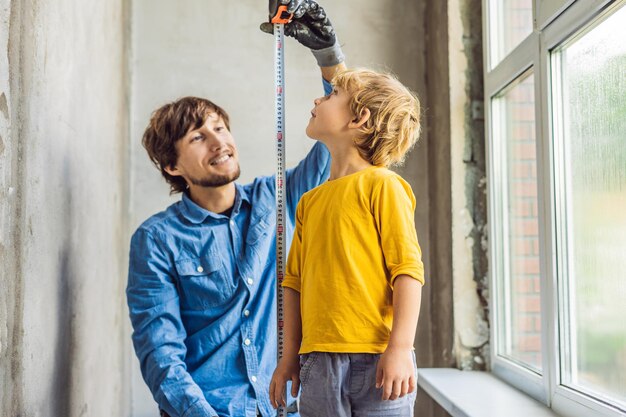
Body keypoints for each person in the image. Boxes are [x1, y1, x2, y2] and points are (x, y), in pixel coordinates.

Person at [126, 2, 345, 416]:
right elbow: (162, 357)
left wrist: (328, 55)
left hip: (288, 407)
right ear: (172, 166)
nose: (218, 141)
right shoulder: (156, 241)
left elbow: (339, 140)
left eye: (220, 127)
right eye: (197, 137)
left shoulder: (277, 199)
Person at [269, 68, 425, 417]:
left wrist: (400, 348)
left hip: (377, 358)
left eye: (330, 95)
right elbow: (292, 284)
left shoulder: (383, 186)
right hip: (317, 363)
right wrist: (288, 356)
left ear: (360, 118)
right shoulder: (309, 202)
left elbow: (407, 272)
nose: (317, 99)